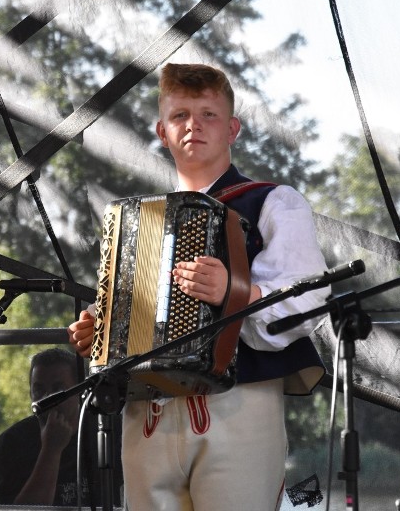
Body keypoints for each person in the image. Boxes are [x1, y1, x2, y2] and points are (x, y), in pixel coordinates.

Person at [68, 63, 330, 510]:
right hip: (147, 408)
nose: (194, 125)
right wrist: (100, 333)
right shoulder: (138, 221)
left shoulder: (273, 201)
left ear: (233, 128)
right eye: (180, 116)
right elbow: (129, 305)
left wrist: (238, 292)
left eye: (209, 114)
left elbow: (309, 293)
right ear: (162, 132)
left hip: (238, 404)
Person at [0, 347, 122, 506]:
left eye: (58, 389)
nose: (47, 398)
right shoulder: (12, 443)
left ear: (80, 391)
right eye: (38, 389)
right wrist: (51, 450)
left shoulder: (110, 431)